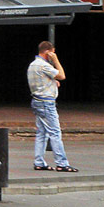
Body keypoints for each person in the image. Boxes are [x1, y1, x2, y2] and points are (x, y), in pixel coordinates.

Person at [27, 40, 78, 172]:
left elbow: (40, 81)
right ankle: (62, 163)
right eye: (53, 53)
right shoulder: (43, 65)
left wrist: (52, 82)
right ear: (49, 52)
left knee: (41, 133)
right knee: (55, 132)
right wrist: (55, 60)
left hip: (37, 101)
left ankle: (39, 162)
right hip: (46, 103)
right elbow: (62, 75)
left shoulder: (33, 65)